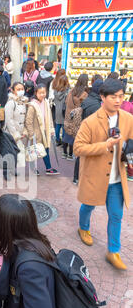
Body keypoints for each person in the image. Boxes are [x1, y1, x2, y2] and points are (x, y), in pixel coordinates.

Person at [74, 78, 133, 271]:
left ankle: (113, 251)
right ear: (102, 97)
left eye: (121, 96)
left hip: (117, 178)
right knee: (88, 206)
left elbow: (131, 140)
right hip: (96, 176)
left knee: (116, 215)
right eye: (114, 97)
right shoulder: (90, 121)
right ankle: (83, 227)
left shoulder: (127, 118)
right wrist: (105, 145)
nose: (118, 100)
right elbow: (78, 148)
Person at [25, 84, 59, 175]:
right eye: (40, 93)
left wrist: (51, 129)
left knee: (46, 149)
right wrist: (31, 134)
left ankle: (48, 167)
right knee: (34, 151)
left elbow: (49, 117)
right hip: (36, 132)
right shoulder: (32, 105)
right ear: (36, 93)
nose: (42, 95)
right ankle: (33, 169)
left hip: (45, 131)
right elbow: (28, 121)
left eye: (44, 92)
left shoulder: (46, 102)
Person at [64, 74, 89, 185]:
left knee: (69, 135)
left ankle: (67, 153)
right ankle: (73, 153)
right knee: (76, 137)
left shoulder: (72, 91)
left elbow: (66, 102)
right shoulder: (84, 94)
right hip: (77, 119)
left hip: (69, 116)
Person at [52, 75, 70, 152]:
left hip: (57, 110)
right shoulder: (67, 91)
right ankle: (63, 141)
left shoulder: (55, 90)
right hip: (64, 110)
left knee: (57, 125)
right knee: (63, 126)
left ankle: (57, 140)